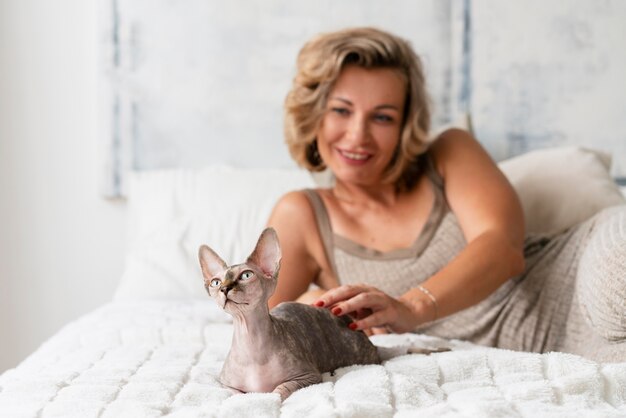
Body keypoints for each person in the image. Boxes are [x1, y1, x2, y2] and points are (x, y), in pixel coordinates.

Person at [267, 27, 626, 361]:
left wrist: (410, 307)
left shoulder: (449, 152)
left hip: (572, 284)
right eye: (341, 111)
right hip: (558, 355)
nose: (358, 135)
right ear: (314, 114)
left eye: (383, 117)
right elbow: (255, 326)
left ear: (406, 124)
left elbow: (502, 247)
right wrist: (307, 304)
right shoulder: (302, 215)